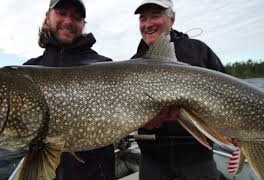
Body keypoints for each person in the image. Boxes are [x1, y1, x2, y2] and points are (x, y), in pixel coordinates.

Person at [132, 0, 227, 180]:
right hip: (152, 160)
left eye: (155, 15)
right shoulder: (133, 63)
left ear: (172, 19)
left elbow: (228, 96)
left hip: (197, 159)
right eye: (143, 18)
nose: (148, 24)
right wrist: (143, 122)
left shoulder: (199, 51)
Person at [23, 0, 115, 179]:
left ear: (83, 24)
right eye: (62, 13)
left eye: (76, 16)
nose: (68, 21)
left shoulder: (104, 66)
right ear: (47, 17)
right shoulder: (28, 71)